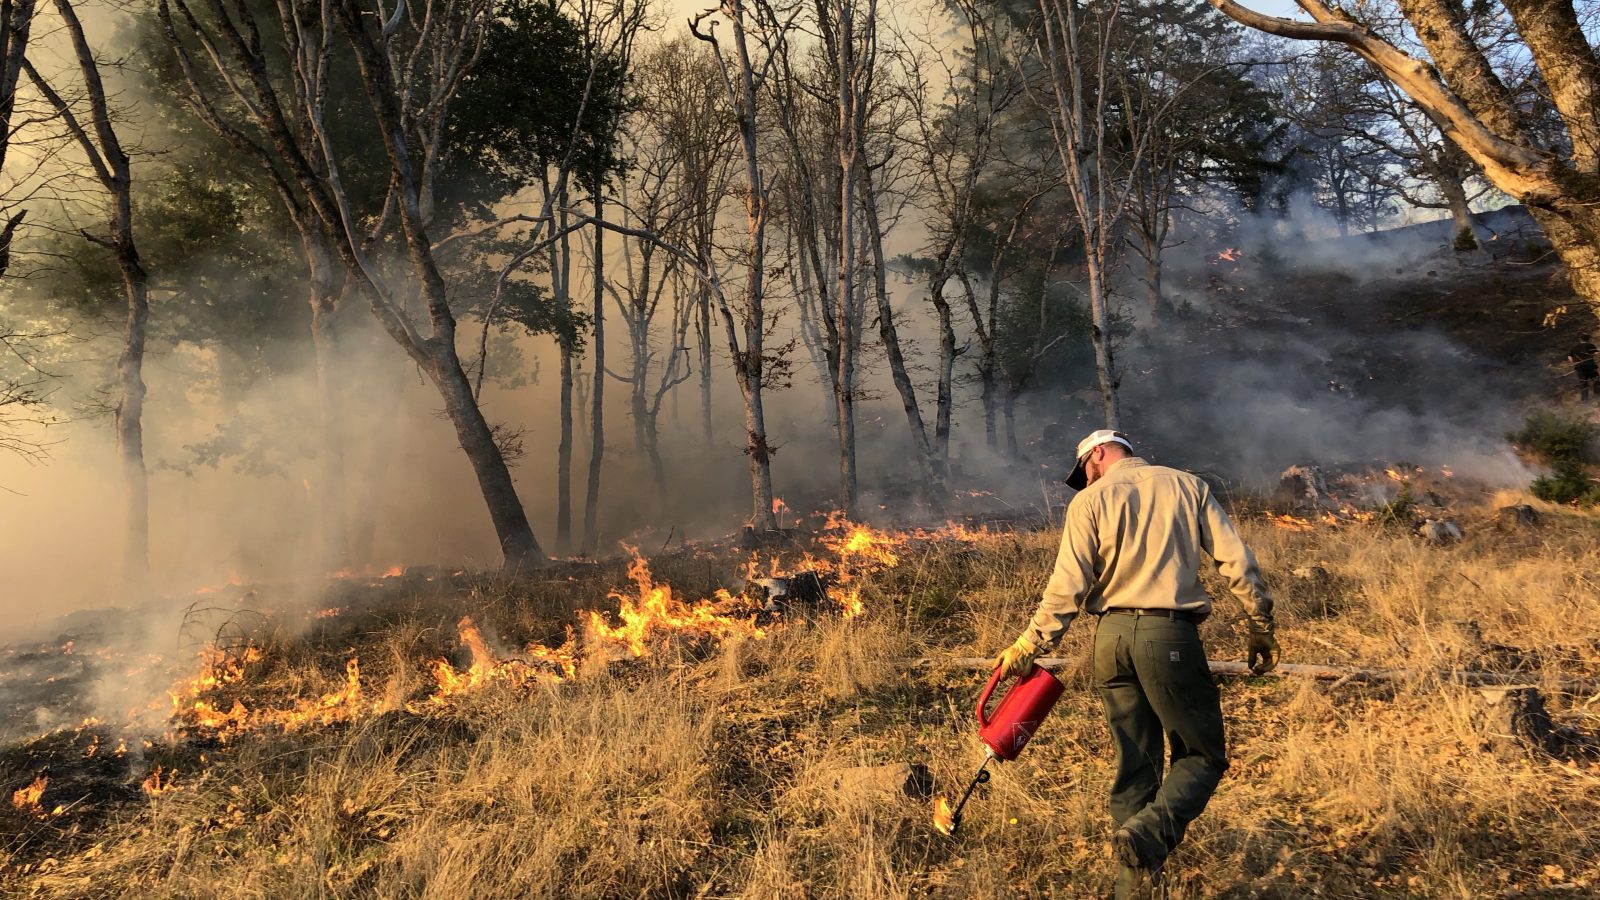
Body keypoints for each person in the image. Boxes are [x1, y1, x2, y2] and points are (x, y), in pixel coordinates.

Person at [993, 429, 1279, 899]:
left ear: (1100, 453)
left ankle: (1132, 887)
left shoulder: (1088, 504)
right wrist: (1259, 619)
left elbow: (1068, 585)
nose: (1086, 480)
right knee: (1203, 756)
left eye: (1085, 469)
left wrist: (1031, 643)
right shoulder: (1188, 486)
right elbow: (1235, 559)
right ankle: (1147, 836)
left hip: (1110, 640)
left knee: (1136, 762)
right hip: (1169, 636)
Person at [1568, 333, 1598, 402]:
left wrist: (1574, 363)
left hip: (1580, 367)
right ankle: (1598, 397)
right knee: (1596, 380)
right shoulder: (1590, 345)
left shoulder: (1574, 347)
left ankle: (1585, 401)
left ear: (1580, 339)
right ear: (1588, 339)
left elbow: (1569, 357)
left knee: (1583, 383)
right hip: (1590, 366)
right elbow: (1596, 353)